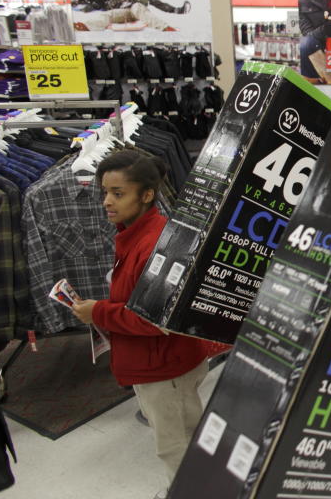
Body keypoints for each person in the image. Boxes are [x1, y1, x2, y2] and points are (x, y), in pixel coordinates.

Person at [70, 150, 208, 499]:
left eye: (118, 193)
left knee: (177, 445)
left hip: (164, 367)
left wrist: (98, 313)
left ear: (146, 195)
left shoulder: (154, 243)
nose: (107, 202)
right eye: (104, 192)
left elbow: (156, 318)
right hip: (156, 364)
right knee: (181, 439)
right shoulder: (134, 234)